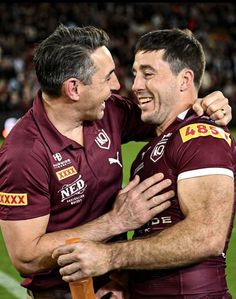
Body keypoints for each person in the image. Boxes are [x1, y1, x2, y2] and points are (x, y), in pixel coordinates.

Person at [0, 24, 231, 299]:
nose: (119, 86)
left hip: (119, 283)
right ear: (73, 88)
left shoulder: (109, 111)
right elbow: (26, 257)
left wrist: (204, 104)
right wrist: (115, 222)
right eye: (108, 77)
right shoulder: (23, 153)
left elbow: (167, 114)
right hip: (65, 292)